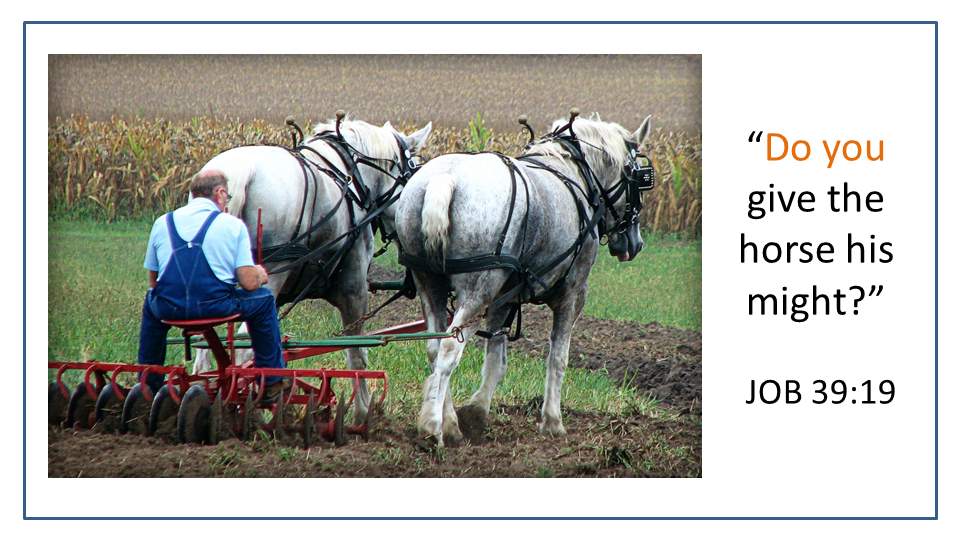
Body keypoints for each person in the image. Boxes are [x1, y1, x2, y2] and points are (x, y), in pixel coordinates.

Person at [137, 169, 289, 402]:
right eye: (227, 198)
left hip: (169, 310)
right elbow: (248, 284)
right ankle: (270, 380)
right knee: (265, 300)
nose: (226, 203)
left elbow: (154, 282)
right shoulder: (232, 225)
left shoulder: (161, 222)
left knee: (151, 302)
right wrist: (259, 274)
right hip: (216, 307)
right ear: (219, 193)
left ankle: (148, 384)